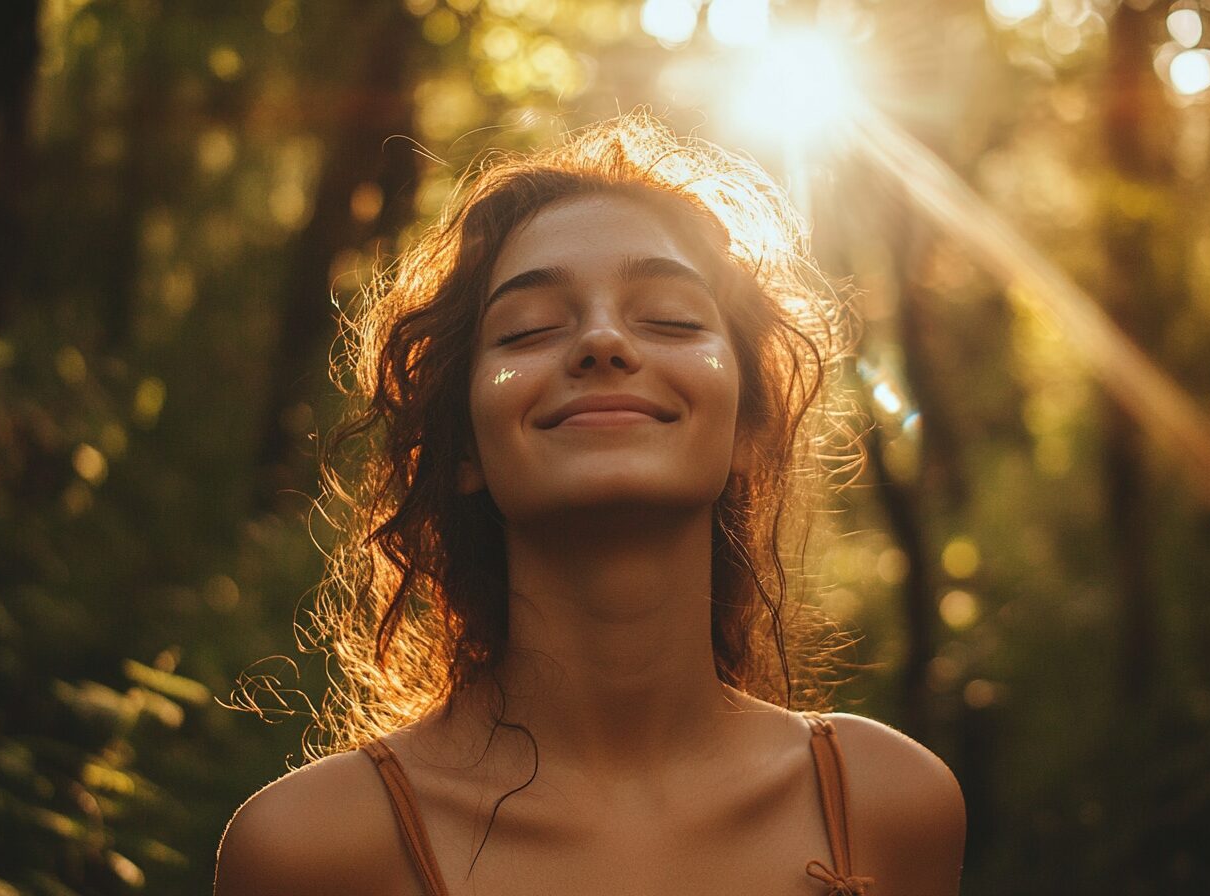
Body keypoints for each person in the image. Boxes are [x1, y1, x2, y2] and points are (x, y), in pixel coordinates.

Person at [214, 111, 965, 895]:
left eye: (670, 318)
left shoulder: (889, 805)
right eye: (529, 329)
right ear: (464, 447)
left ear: (747, 429)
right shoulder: (311, 850)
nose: (603, 342)